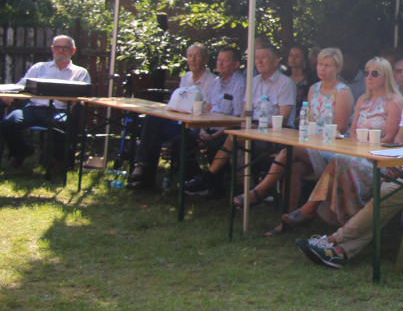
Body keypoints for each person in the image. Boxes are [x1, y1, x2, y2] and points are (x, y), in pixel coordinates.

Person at [296, 53, 403, 268]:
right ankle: (340, 251)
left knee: (387, 191)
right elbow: (400, 140)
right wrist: (396, 164)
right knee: (355, 171)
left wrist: (402, 167)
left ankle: (334, 240)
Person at [269, 57, 403, 236]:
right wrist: (358, 145)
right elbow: (353, 132)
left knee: (338, 161)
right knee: (299, 164)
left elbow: (390, 138)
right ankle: (304, 214)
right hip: (357, 154)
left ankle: (307, 210)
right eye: (366, 73)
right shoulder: (363, 100)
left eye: (375, 73)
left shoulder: (394, 101)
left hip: (378, 159)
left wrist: (365, 145)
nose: (369, 77)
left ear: (385, 77)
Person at [233, 48, 354, 223]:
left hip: (332, 149)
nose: (322, 69)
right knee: (294, 168)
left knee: (289, 152)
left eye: (328, 66)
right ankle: (288, 219)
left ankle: (259, 191)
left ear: (338, 68)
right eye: (320, 64)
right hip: (311, 146)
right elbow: (311, 119)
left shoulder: (343, 92)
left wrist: (313, 139)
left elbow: (340, 129)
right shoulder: (314, 89)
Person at [183, 43, 297, 198]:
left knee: (235, 139)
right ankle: (250, 193)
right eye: (257, 58)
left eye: (263, 57)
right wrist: (246, 126)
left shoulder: (285, 83)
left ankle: (211, 179)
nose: (259, 61)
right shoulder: (253, 82)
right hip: (251, 129)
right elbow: (244, 113)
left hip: (275, 133)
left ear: (276, 60)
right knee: (236, 142)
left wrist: (257, 126)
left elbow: (283, 119)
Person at [127, 43, 217, 189]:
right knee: (153, 121)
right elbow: (178, 105)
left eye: (197, 56)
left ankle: (143, 174)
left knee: (156, 130)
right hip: (180, 123)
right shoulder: (185, 78)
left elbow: (209, 110)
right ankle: (143, 170)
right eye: (190, 56)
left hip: (196, 127)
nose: (193, 60)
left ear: (205, 59)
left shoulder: (213, 81)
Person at [1, 34, 91, 169]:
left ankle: (59, 161)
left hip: (60, 110)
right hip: (33, 109)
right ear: (52, 49)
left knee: (62, 125)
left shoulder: (80, 72)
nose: (61, 51)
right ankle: (20, 152)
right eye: (57, 47)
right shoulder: (39, 68)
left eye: (65, 48)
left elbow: (83, 96)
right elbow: (21, 86)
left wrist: (74, 100)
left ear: (73, 50)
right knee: (9, 122)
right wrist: (7, 94)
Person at [285, 44, 314, 111]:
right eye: (291, 55)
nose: (293, 58)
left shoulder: (310, 79)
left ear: (304, 59)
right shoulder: (283, 78)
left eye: (297, 56)